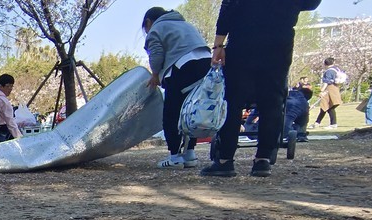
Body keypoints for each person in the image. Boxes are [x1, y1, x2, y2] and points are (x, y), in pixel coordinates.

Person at [202, 0, 322, 178]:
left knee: (233, 100)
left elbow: (229, 5)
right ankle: (263, 159)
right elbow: (311, 3)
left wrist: (219, 44)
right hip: (279, 41)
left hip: (244, 38)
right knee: (272, 101)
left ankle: (225, 159)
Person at [143, 6, 212, 169]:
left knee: (171, 113)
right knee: (190, 111)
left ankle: (174, 156)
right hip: (205, 65)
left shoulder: (156, 29)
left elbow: (156, 56)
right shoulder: (186, 24)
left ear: (148, 22)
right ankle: (189, 154)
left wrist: (155, 74)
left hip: (183, 68)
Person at [311, 57, 343, 129]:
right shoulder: (336, 69)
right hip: (335, 88)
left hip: (329, 89)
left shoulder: (328, 71)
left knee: (328, 106)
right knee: (325, 106)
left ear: (325, 64)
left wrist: (321, 90)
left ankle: (333, 124)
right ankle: (317, 122)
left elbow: (326, 82)